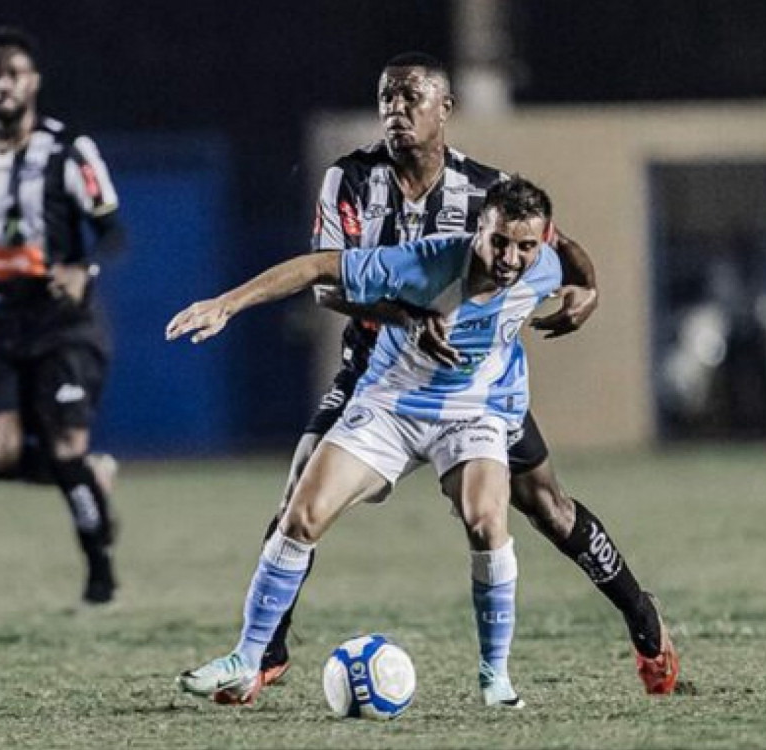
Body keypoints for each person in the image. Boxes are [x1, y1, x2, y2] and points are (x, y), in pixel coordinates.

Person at [255, 52, 678, 695]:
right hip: (377, 368)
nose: (396, 111)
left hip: (476, 382)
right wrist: (406, 315)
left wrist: (588, 287)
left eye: (410, 99)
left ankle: (644, 621)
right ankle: (265, 657)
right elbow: (325, 287)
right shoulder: (348, 179)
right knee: (298, 496)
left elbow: (560, 246)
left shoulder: (489, 188)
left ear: (443, 110)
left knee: (548, 508)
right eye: (387, 99)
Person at [169, 177, 564, 708]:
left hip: (472, 413)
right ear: (478, 230)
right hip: (390, 406)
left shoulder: (546, 267)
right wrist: (229, 302)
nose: (511, 258)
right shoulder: (422, 262)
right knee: (302, 515)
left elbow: (572, 262)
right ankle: (245, 660)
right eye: (500, 242)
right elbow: (317, 267)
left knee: (487, 519)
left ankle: (496, 678)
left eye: (525, 246)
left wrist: (588, 289)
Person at [0, 27, 126, 607]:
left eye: (14, 72)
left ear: (34, 82)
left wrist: (83, 270)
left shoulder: (70, 152)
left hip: (65, 318)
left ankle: (100, 575)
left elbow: (113, 230)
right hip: (3, 316)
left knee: (64, 444)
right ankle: (91, 480)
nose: (3, 83)